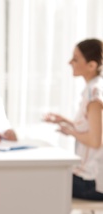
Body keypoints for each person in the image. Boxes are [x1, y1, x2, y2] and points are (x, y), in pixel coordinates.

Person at [44, 38, 103, 201]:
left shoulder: (95, 94)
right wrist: (64, 121)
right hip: (89, 178)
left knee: (40, 179)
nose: (70, 62)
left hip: (91, 183)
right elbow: (91, 127)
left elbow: (95, 141)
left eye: (76, 59)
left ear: (91, 65)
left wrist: (70, 131)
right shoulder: (93, 89)